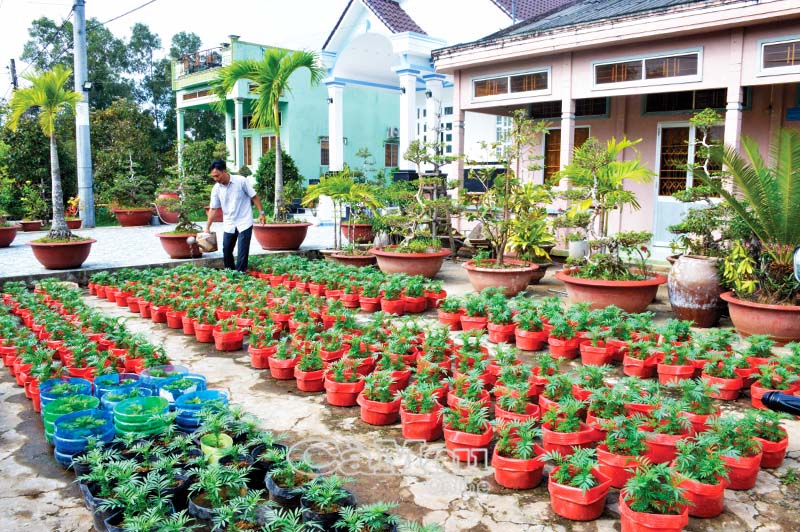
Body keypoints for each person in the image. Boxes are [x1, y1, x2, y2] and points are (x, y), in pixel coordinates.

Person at [205, 160, 266, 272]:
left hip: (244, 221)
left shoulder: (241, 181)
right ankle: (230, 273)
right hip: (229, 222)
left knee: (242, 251)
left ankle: (240, 275)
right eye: (213, 177)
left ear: (224, 171)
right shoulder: (216, 189)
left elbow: (254, 196)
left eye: (217, 176)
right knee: (227, 250)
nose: (215, 179)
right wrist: (207, 227)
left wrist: (261, 213)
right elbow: (213, 209)